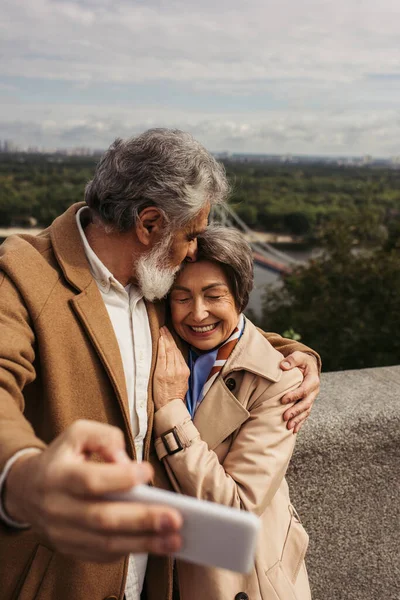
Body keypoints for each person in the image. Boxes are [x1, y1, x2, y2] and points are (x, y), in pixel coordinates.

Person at [0, 129, 320, 600]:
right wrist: (23, 474)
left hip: (158, 580)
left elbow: (214, 320)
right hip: (64, 580)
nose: (194, 249)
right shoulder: (22, 274)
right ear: (149, 225)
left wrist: (296, 355)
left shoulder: (156, 280)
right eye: (191, 235)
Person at [151, 226, 312, 600]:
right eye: (182, 298)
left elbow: (236, 510)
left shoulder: (280, 383)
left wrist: (171, 410)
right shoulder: (161, 346)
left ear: (239, 297)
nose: (198, 313)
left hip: (238, 581)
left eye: (214, 295)